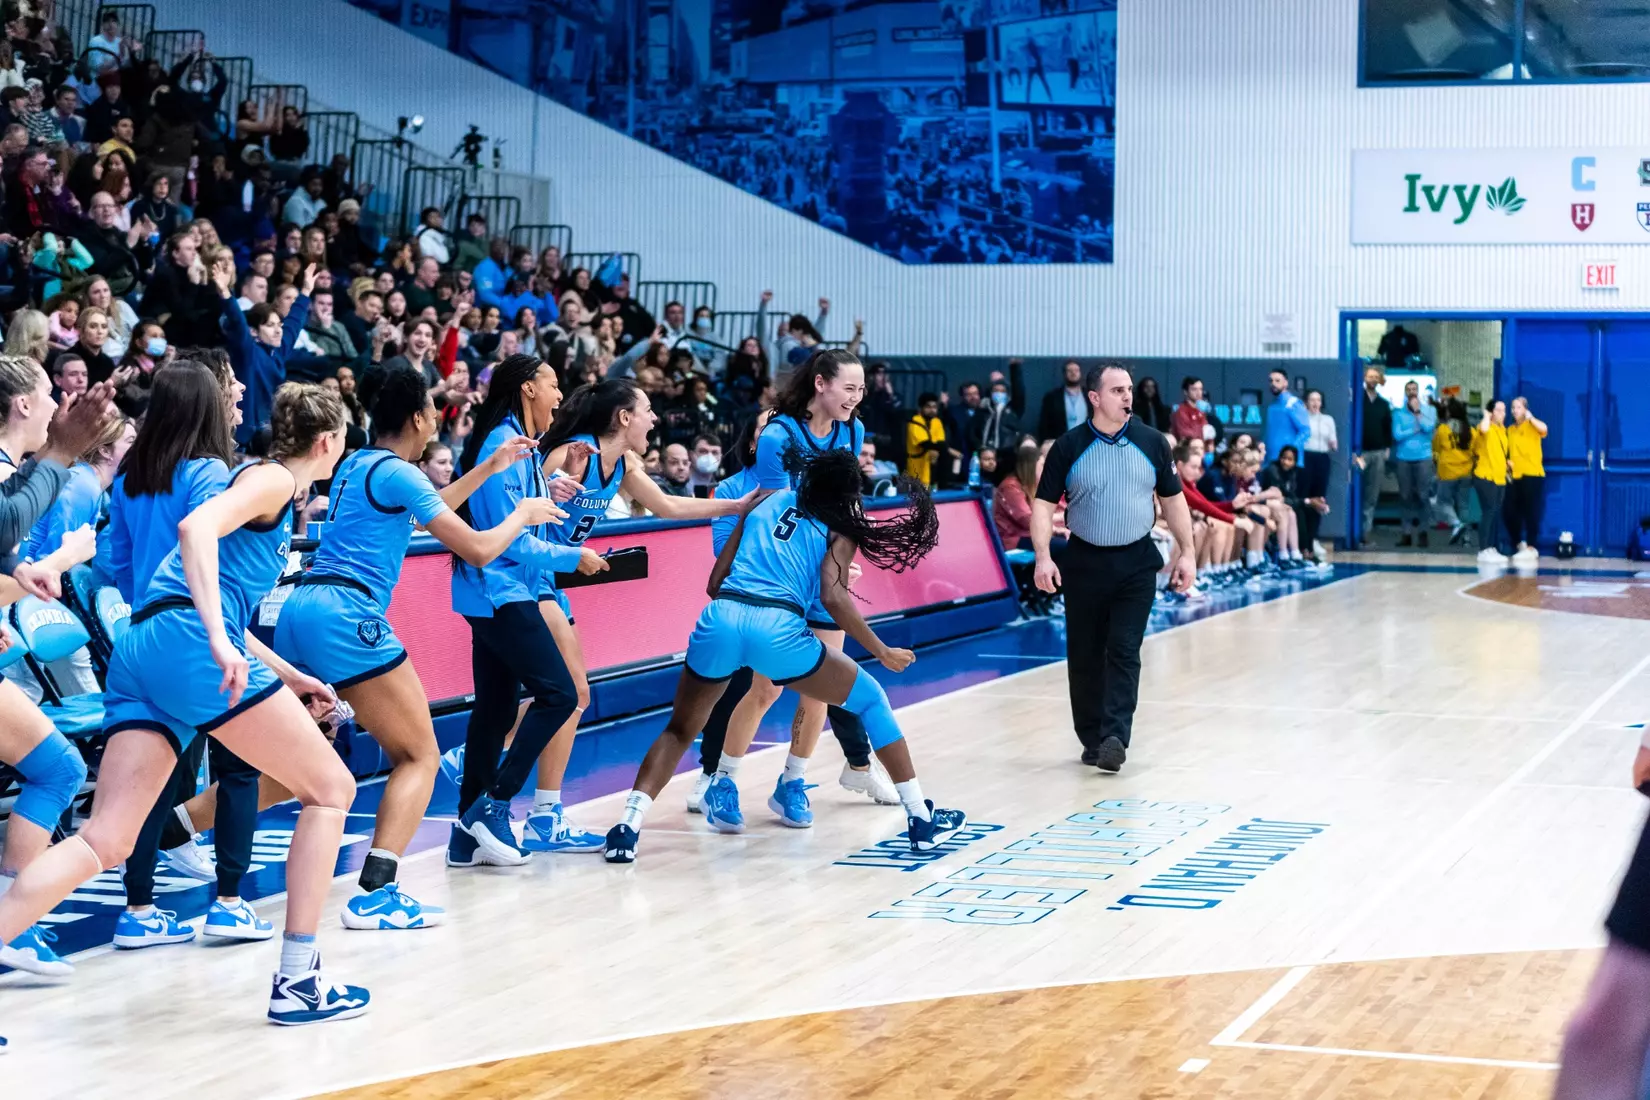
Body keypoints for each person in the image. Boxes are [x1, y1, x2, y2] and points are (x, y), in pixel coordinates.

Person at [0, 383, 372, 1027]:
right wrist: (222, 642)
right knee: (332, 788)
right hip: (187, 642)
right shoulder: (277, 481)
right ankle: (299, 982)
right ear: (328, 442)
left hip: (145, 643)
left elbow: (213, 593)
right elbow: (195, 528)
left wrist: (288, 675)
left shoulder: (256, 480)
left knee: (106, 838)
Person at [273, 365, 561, 924]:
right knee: (420, 755)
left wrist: (489, 468)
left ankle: (173, 831)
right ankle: (377, 892)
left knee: (289, 767)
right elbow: (477, 549)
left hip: (300, 608)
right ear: (416, 419)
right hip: (346, 615)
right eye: (432, 411)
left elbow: (430, 511)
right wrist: (523, 514)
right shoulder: (401, 474)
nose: (437, 420)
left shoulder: (359, 462)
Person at [602, 447, 965, 864]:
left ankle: (627, 827)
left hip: (721, 617)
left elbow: (715, 581)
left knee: (680, 729)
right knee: (869, 699)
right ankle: (920, 819)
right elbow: (833, 597)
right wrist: (880, 650)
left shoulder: (766, 500)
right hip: (778, 629)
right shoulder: (839, 525)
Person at [498, 379, 747, 852]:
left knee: (574, 697)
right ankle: (484, 756)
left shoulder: (623, 464)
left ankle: (543, 813)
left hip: (554, 582)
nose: (655, 418)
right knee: (568, 694)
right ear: (623, 418)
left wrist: (735, 505)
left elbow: (668, 505)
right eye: (648, 409)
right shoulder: (570, 454)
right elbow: (518, 513)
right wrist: (556, 491)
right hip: (525, 577)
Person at [710, 349, 899, 828]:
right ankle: (723, 781)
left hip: (822, 575)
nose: (857, 398)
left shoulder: (851, 432)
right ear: (820, 384)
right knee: (766, 688)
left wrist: (842, 562)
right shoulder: (778, 436)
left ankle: (792, 782)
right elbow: (771, 520)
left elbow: (842, 504)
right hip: (783, 578)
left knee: (821, 691)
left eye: (861, 390)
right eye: (849, 389)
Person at [446, 355, 603, 868]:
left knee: (493, 712)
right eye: (553, 384)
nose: (561, 395)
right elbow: (507, 541)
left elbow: (526, 522)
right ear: (527, 388)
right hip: (500, 591)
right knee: (560, 695)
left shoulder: (524, 448)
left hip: (497, 592)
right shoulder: (501, 445)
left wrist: (554, 492)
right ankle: (494, 804)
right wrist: (569, 558)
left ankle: (465, 838)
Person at [1032, 363, 1196, 774]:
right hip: (1084, 561)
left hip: (1136, 564)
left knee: (1123, 649)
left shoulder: (1153, 442)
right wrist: (1043, 556)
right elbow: (1043, 505)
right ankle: (1092, 737)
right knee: (1085, 654)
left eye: (1129, 390)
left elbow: (1174, 501)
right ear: (1094, 398)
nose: (1128, 397)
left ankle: (1115, 736)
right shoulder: (1069, 447)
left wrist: (1188, 551)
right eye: (1118, 390)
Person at [686, 407, 777, 810]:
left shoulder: (805, 487)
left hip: (796, 599)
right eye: (768, 428)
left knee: (829, 683)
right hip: (745, 598)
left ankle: (859, 763)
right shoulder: (730, 489)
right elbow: (724, 554)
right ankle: (710, 775)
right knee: (731, 688)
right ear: (754, 441)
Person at [1390, 380, 1437, 548]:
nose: (1412, 392)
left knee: (1423, 495)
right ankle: (1406, 533)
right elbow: (1397, 435)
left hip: (1423, 457)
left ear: (1418, 392)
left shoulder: (1429, 410)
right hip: (1404, 458)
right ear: (1405, 393)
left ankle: (1424, 532)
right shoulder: (1398, 413)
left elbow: (1428, 427)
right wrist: (1414, 430)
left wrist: (1418, 413)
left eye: (1414, 389)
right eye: (1408, 389)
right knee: (1405, 496)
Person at [1504, 396, 1547, 564]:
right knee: (1509, 511)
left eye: (1519, 407)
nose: (1515, 411)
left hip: (1532, 474)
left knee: (1531, 512)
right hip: (1515, 475)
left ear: (1526, 409)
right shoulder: (1510, 430)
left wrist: (1531, 418)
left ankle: (1532, 546)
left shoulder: (1533, 425)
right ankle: (1519, 543)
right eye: (1513, 408)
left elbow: (1544, 429)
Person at [1356, 366, 1394, 547]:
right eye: (1369, 376)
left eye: (1375, 377)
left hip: (1378, 453)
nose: (1372, 379)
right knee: (1355, 491)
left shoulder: (1383, 404)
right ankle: (1352, 532)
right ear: (1364, 378)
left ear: (1380, 380)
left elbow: (1388, 429)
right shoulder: (1356, 401)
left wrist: (1387, 449)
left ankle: (1365, 533)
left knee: (1371, 495)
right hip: (1359, 453)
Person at [1472, 399, 1510, 566]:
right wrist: (1486, 415)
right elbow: (1484, 429)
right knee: (1488, 512)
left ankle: (1491, 547)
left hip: (1500, 477)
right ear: (1492, 412)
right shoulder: (1484, 427)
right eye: (1499, 410)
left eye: (1504, 410)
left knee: (1495, 512)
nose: (1503, 414)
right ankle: (1483, 549)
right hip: (1486, 477)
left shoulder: (1502, 430)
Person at [1431, 397, 1473, 545]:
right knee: (1464, 506)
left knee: (1442, 502)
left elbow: (1435, 450)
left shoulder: (1442, 430)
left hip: (1448, 472)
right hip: (1466, 473)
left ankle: (1456, 523)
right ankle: (1466, 539)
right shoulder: (1470, 430)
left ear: (1450, 413)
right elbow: (1475, 452)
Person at [1301, 389, 1335, 553]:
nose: (1315, 403)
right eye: (1312, 400)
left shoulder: (1328, 420)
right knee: (1306, 498)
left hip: (1323, 458)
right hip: (1306, 457)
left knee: (1319, 499)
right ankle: (1303, 541)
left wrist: (1333, 444)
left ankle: (1313, 538)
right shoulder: (1302, 418)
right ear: (1306, 402)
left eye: (1318, 400)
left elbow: (1334, 442)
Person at [1263, 369, 1310, 472]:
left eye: (1277, 380)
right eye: (1271, 381)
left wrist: (1290, 452)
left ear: (1286, 383)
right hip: (1271, 461)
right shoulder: (1272, 405)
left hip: (1288, 464)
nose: (1273, 384)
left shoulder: (1293, 403)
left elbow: (1305, 430)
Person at [1037, 359, 1087, 440]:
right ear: (1064, 374)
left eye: (1076, 370)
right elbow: (1044, 425)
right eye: (1069, 371)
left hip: (1086, 443)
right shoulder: (1052, 397)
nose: (1073, 373)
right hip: (1061, 443)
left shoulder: (1090, 396)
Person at [904, 392, 945, 488]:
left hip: (932, 469)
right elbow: (924, 443)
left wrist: (941, 447)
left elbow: (941, 443)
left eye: (934, 407)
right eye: (928, 407)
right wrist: (940, 447)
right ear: (921, 408)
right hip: (916, 469)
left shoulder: (937, 422)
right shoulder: (915, 421)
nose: (932, 410)